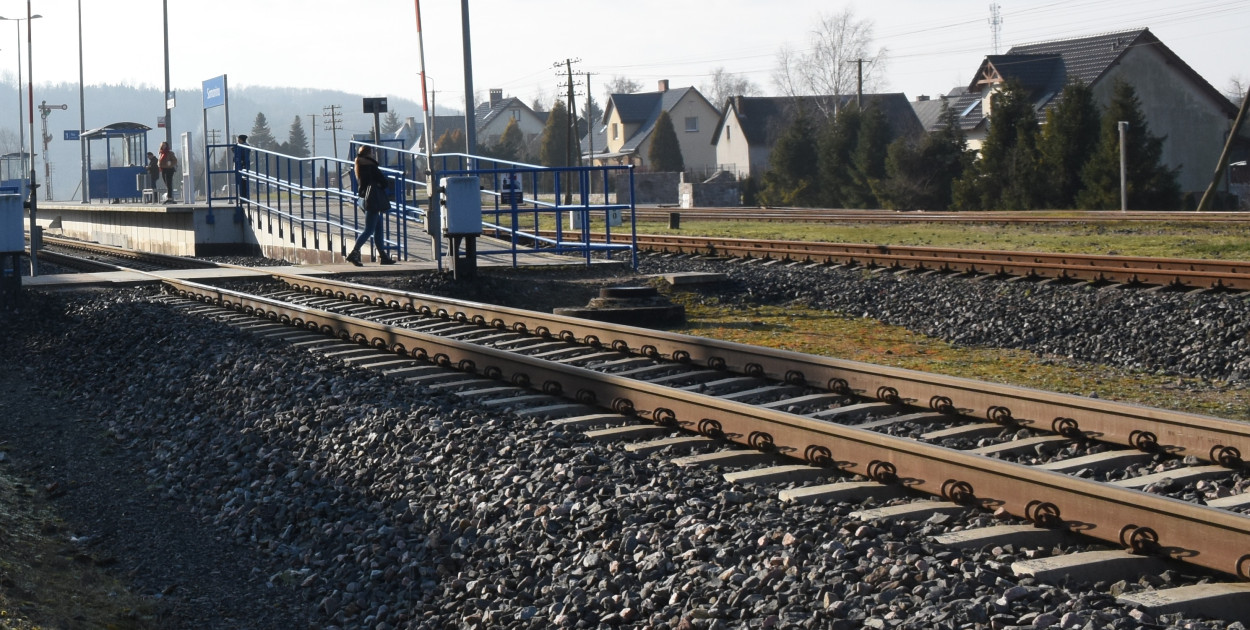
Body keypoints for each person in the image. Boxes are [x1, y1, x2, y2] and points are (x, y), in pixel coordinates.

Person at [346, 146, 395, 266]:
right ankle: (354, 253)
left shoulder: (359, 165)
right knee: (369, 230)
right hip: (372, 200)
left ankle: (383, 256)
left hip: (363, 199)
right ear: (369, 153)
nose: (373, 154)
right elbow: (383, 182)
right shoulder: (370, 166)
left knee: (377, 228)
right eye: (372, 152)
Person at [233, 134, 250, 203]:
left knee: (243, 182)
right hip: (241, 166)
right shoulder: (241, 146)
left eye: (239, 139)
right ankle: (243, 198)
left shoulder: (244, 146)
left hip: (242, 166)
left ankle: (244, 198)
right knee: (241, 183)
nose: (238, 141)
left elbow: (241, 155)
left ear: (241, 140)